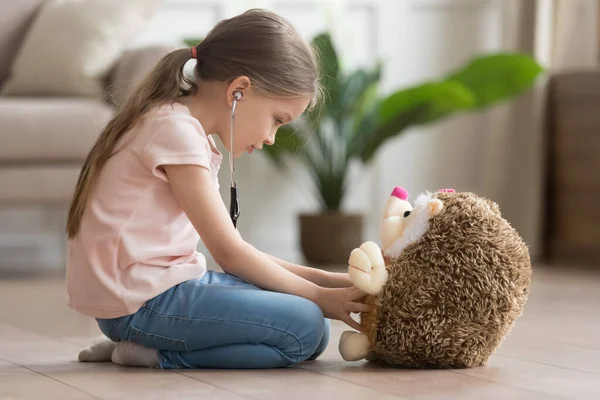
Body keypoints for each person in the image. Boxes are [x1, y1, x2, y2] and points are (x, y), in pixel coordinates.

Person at [66, 9, 368, 370]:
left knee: (314, 330)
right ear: (238, 91)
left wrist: (331, 283)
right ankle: (154, 352)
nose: (272, 137)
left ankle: (141, 342)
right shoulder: (175, 133)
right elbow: (231, 254)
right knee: (304, 327)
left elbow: (239, 252)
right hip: (142, 304)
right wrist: (322, 298)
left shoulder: (179, 126)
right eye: (277, 120)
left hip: (157, 292)